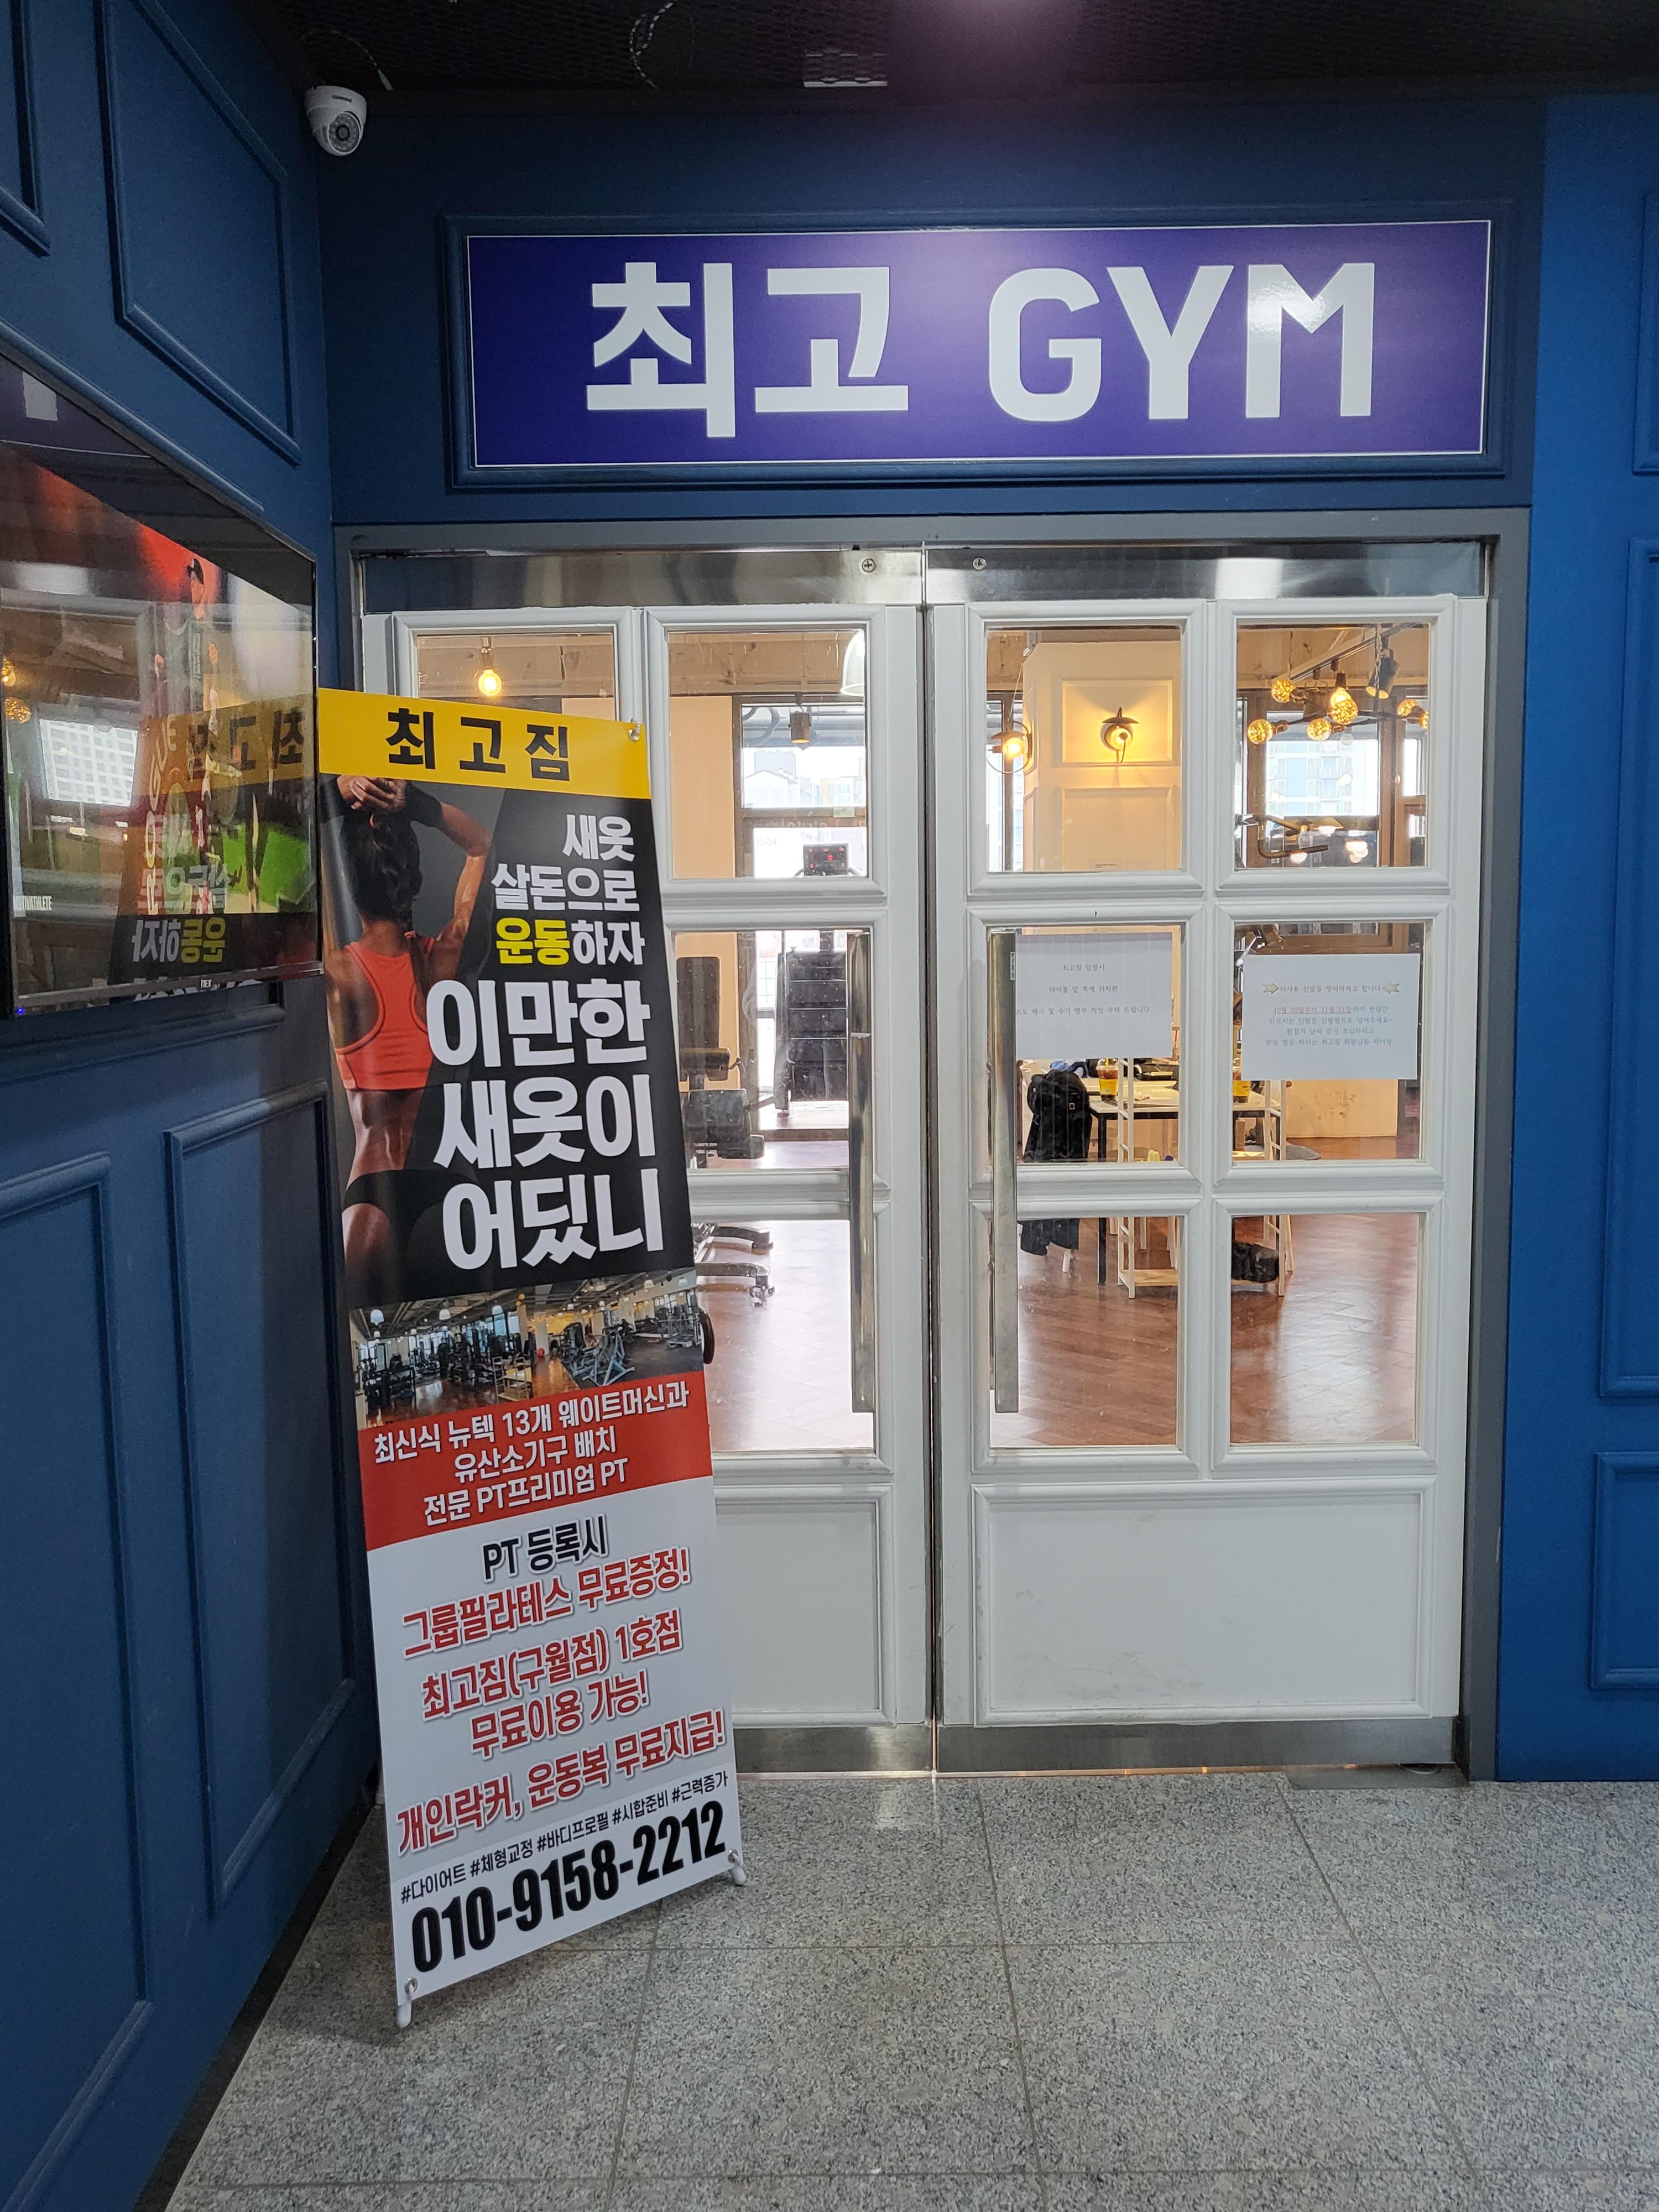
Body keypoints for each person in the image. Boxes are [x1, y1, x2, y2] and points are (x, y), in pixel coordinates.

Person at [323, 774, 490, 1304]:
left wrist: (334, 796)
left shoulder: (339, 974)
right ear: (413, 879)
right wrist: (416, 804)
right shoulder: (445, 959)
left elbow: (277, 854)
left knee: (368, 1344)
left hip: (373, 1196)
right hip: (450, 1197)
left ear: (351, 884)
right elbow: (481, 846)